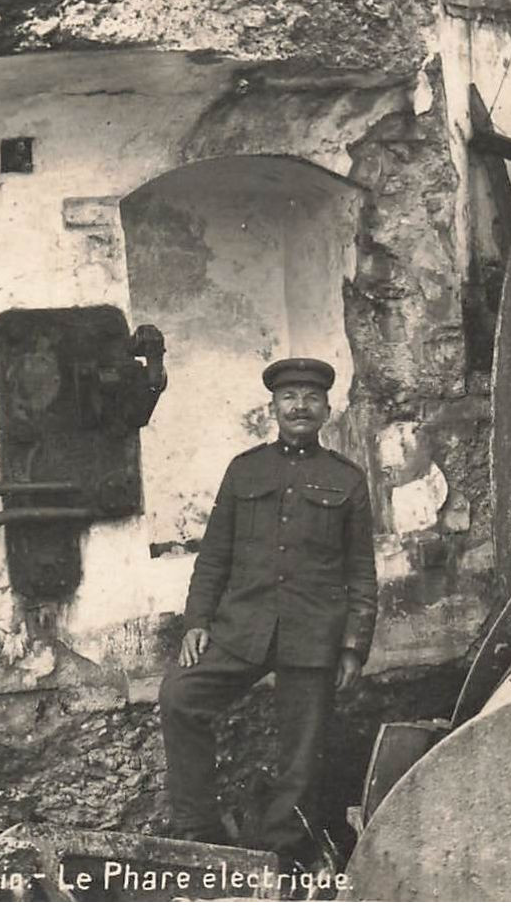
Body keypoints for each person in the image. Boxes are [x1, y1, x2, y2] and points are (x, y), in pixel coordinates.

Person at [158, 357, 377, 861]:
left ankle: (282, 851)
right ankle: (199, 831)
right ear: (273, 407)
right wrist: (198, 623)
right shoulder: (245, 470)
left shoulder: (347, 479)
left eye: (310, 398)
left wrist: (353, 647)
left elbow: (361, 571)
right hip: (244, 627)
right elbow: (214, 557)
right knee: (180, 696)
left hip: (313, 633)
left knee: (302, 750)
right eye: (288, 398)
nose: (299, 406)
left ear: (326, 409)